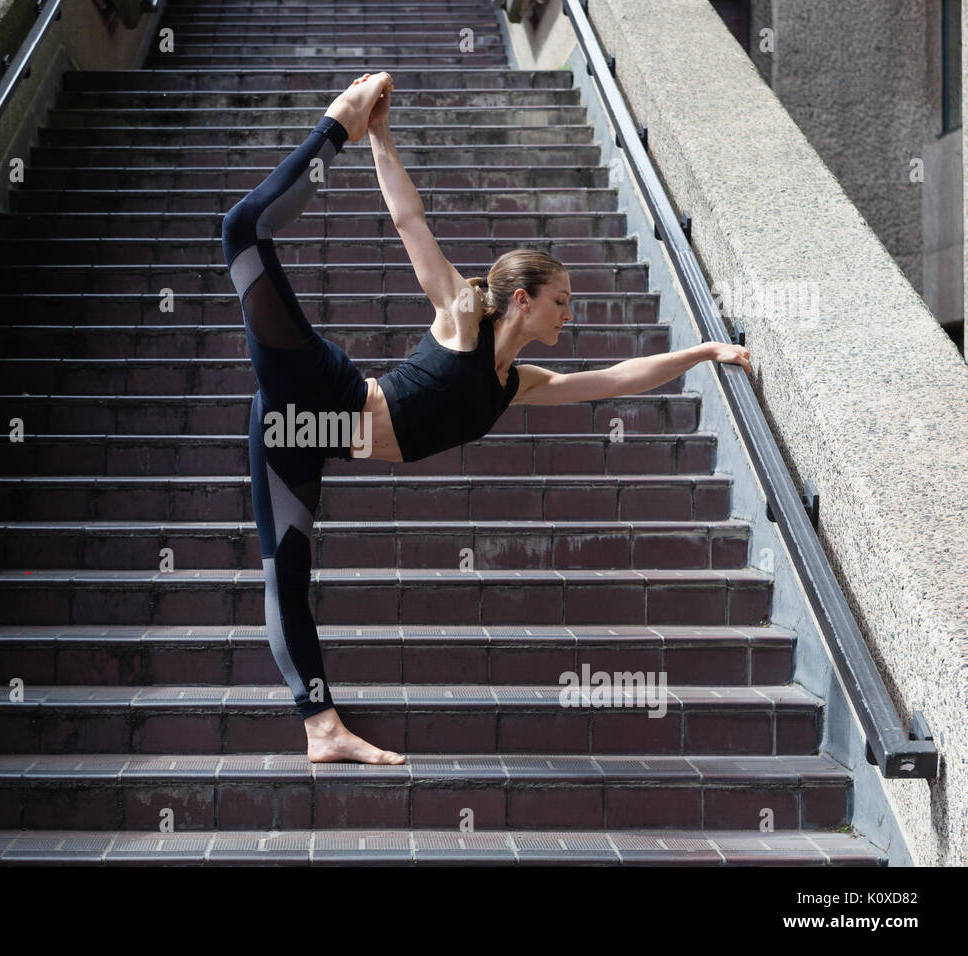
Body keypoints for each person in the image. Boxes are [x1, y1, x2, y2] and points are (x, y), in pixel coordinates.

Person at [220, 72, 752, 765]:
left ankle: (321, 728)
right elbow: (410, 221)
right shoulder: (462, 316)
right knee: (242, 230)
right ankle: (335, 124)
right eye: (562, 300)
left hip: (300, 437)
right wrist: (375, 133)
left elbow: (613, 379)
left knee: (286, 573)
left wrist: (705, 350)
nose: (570, 312)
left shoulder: (515, 384)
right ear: (525, 299)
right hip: (326, 396)